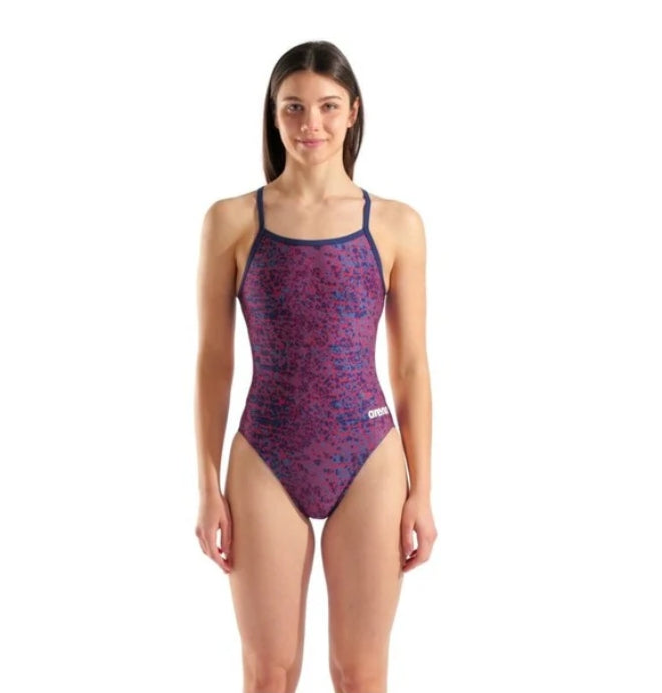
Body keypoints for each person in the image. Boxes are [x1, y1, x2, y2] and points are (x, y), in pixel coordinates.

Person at [194, 40, 437, 693]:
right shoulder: (231, 221)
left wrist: (421, 490)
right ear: (273, 115)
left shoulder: (394, 224)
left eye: (328, 106)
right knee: (268, 674)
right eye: (293, 107)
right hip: (265, 451)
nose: (311, 124)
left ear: (353, 112)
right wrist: (207, 486)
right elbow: (213, 362)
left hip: (368, 453)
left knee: (360, 674)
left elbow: (411, 367)